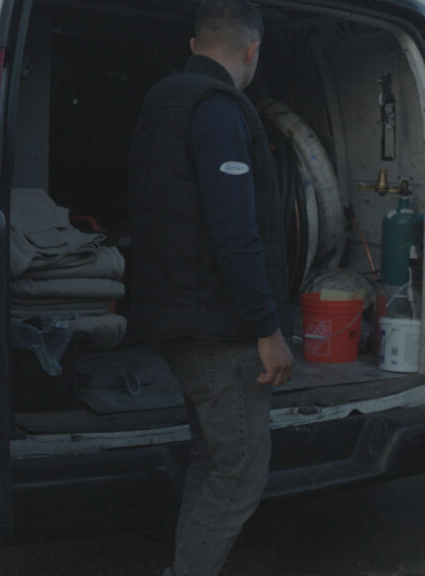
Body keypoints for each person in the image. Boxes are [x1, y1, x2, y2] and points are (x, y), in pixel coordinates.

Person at [127, 1, 294, 574]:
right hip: (220, 331)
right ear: (251, 51)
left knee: (213, 458)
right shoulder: (220, 109)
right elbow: (233, 232)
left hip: (178, 320)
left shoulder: (161, 100)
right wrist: (268, 329)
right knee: (239, 473)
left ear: (196, 45)